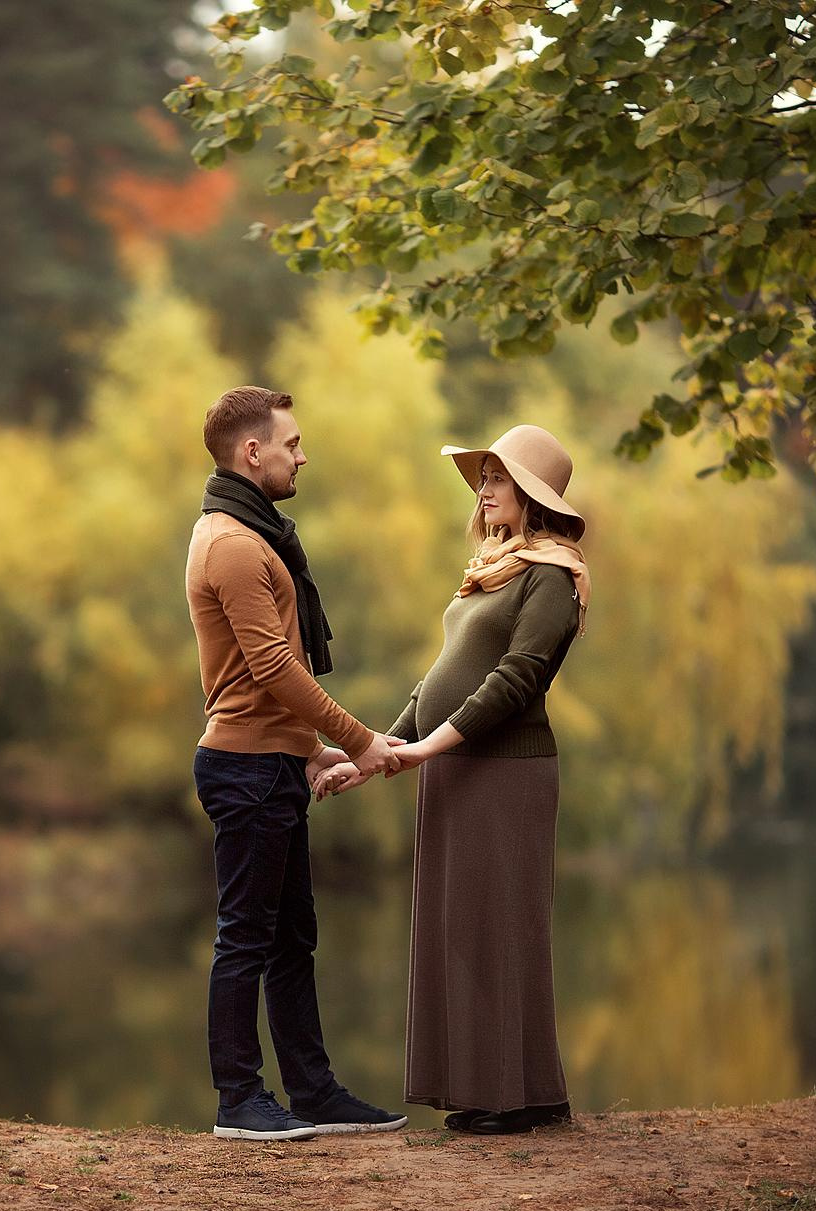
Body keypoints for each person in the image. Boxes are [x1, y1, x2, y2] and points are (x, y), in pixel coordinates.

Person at [317, 424, 590, 1135]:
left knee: (502, 927)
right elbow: (439, 678)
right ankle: (490, 1089)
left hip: (506, 774)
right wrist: (375, 749)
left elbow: (515, 678)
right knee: (461, 931)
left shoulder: (552, 575)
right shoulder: (495, 566)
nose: (485, 489)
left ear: (531, 493)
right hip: (456, 767)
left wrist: (428, 746)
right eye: (484, 477)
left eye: (498, 477)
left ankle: (521, 1095)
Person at [185, 385, 410, 1142]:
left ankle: (312, 1091)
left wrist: (308, 751)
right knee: (246, 936)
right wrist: (357, 739)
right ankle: (239, 1099)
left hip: (271, 762)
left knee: (290, 939)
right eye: (292, 442)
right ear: (254, 451)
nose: (302, 455)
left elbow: (259, 679)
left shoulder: (251, 534)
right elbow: (274, 667)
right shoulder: (236, 545)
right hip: (244, 768)